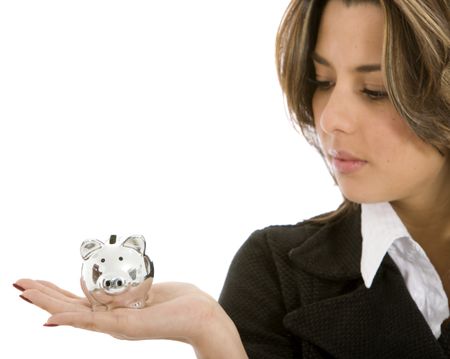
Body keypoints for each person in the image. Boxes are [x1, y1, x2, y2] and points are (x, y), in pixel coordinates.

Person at [14, 0, 450, 358]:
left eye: (375, 89)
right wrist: (213, 337)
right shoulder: (275, 273)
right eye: (321, 81)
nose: (331, 119)